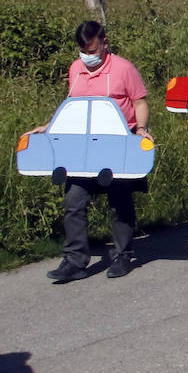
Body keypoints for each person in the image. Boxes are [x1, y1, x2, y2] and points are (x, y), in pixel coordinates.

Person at [35, 21, 152, 282]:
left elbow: (139, 101)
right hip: (82, 148)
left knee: (119, 202)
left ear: (104, 43)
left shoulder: (124, 68)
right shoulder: (76, 68)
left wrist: (141, 128)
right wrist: (51, 126)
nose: (87, 55)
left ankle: (122, 255)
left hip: (117, 146)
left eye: (92, 49)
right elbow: (72, 104)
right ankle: (75, 260)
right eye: (83, 50)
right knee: (74, 200)